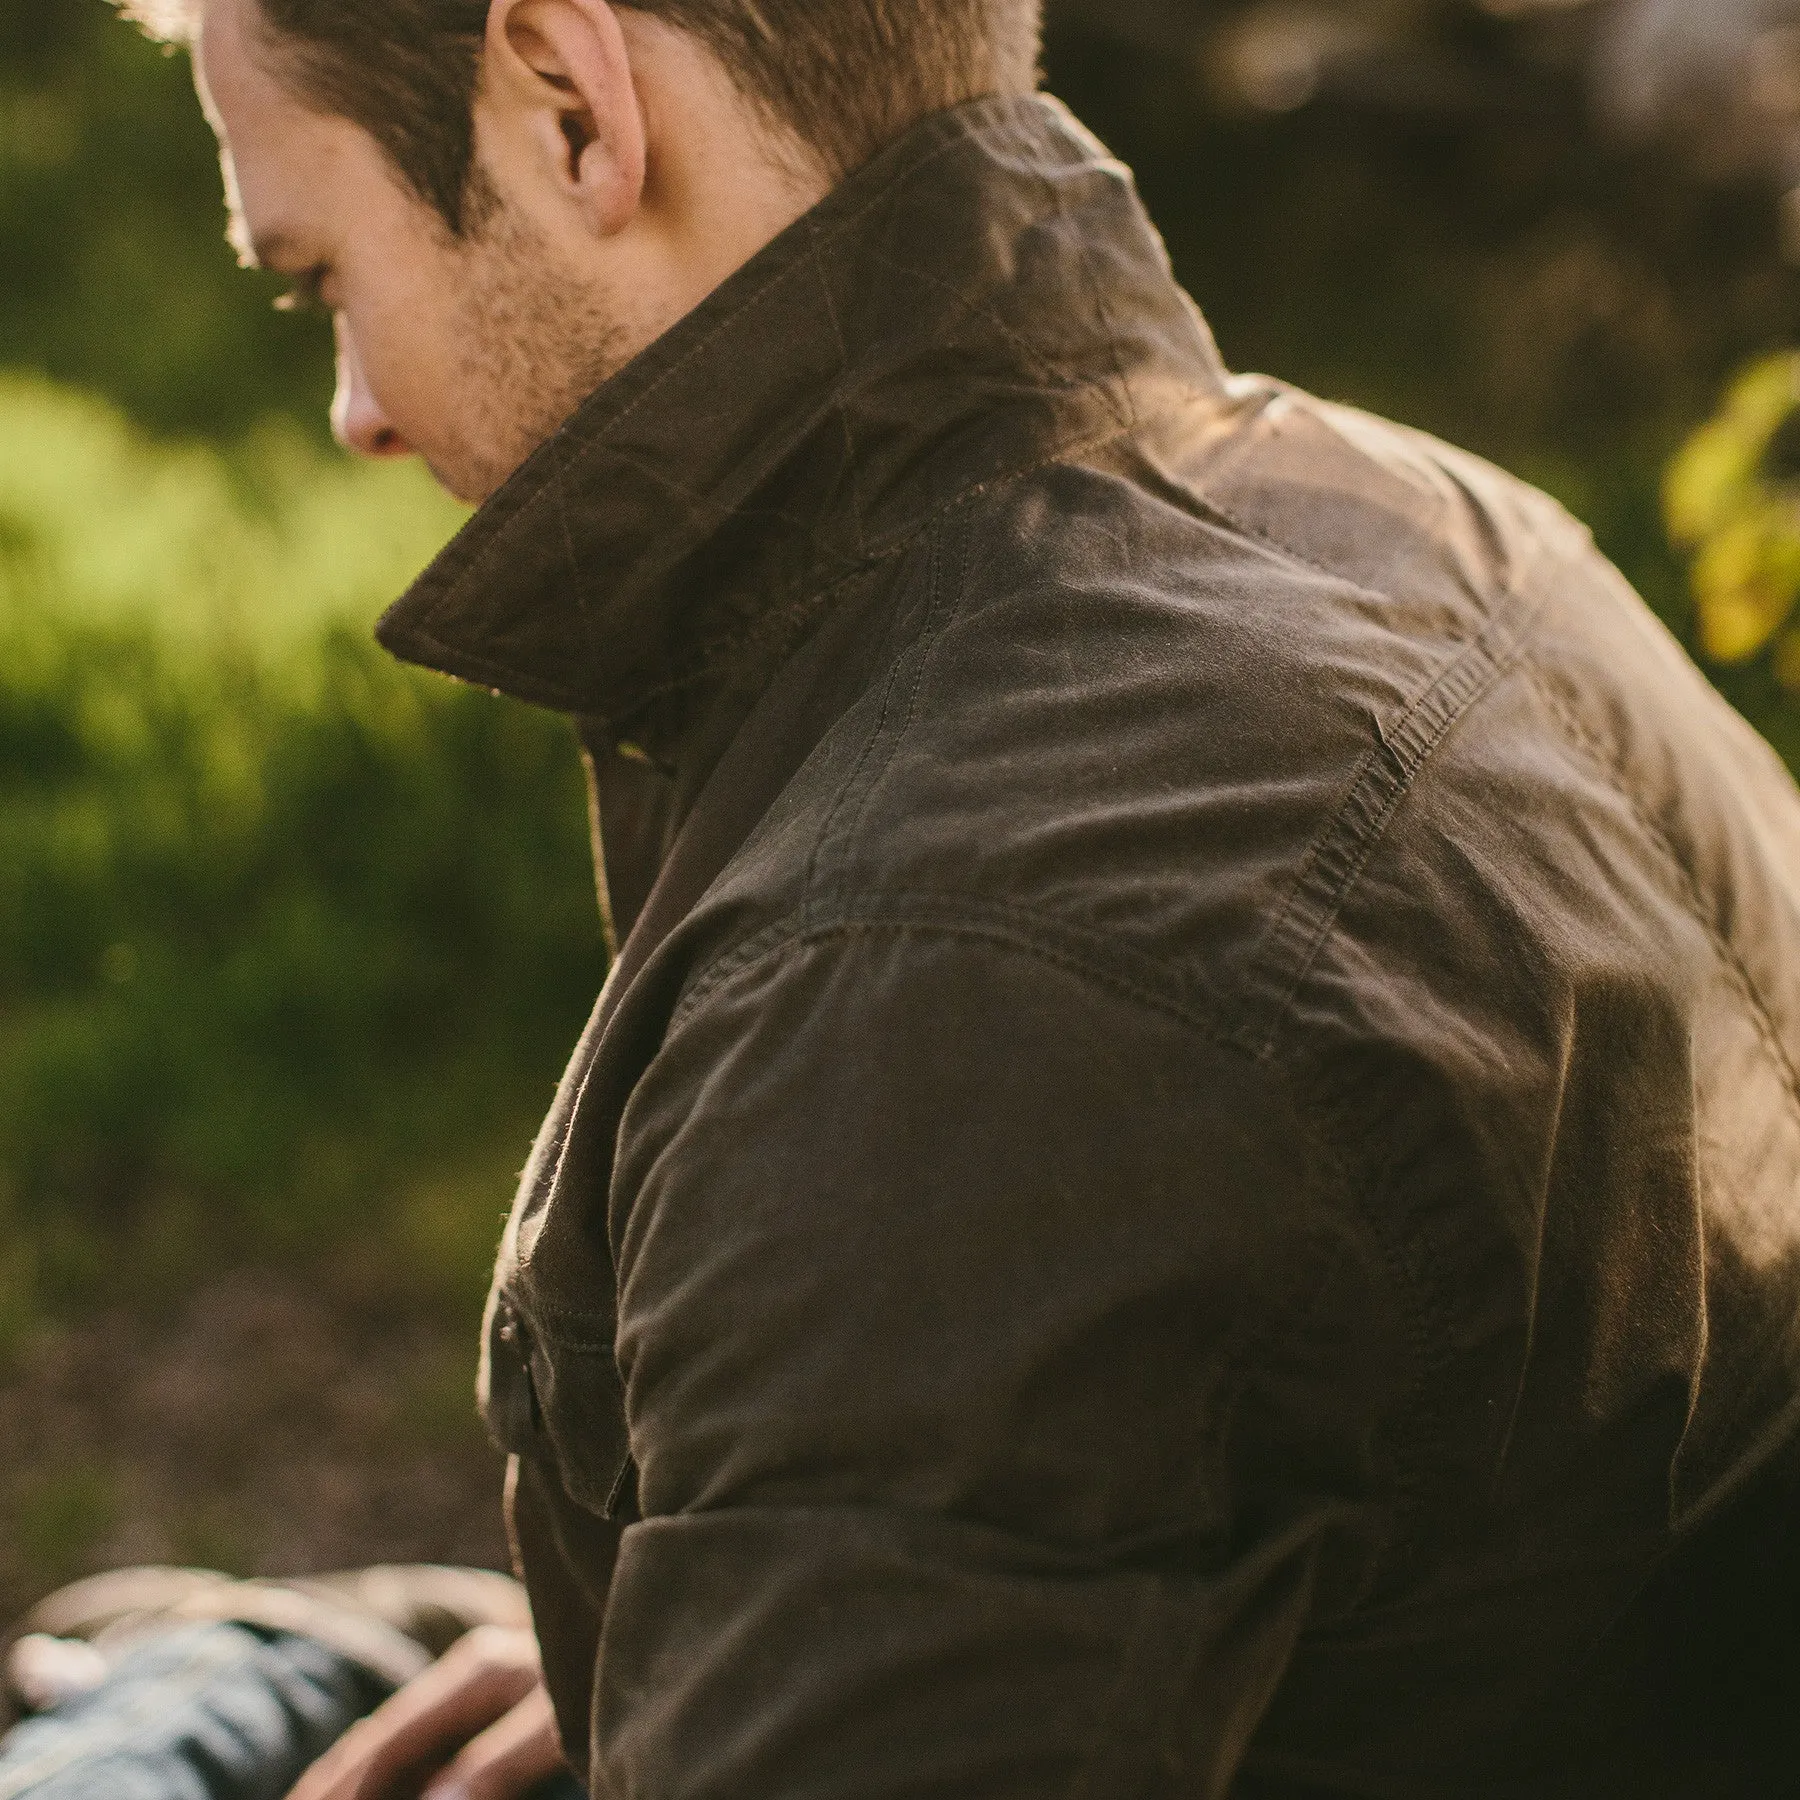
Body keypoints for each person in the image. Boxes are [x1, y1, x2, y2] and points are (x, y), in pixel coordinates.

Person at [25, 0, 1800, 1790]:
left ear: (571, 103)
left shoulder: (945, 991)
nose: (353, 411)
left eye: (318, 281)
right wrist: (771, 1635)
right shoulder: (1420, 519)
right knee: (244, 1670)